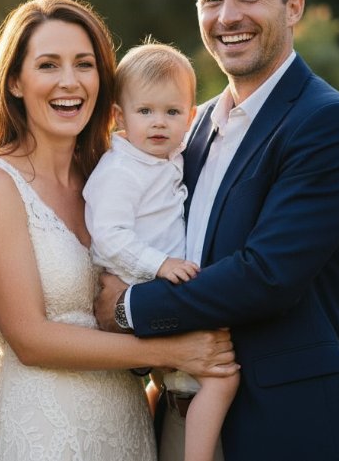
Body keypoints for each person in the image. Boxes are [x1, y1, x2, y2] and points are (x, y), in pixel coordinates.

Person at [95, 0, 339, 460]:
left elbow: (266, 275)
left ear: (293, 7)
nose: (228, 17)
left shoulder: (327, 123)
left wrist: (128, 308)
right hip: (177, 417)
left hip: (283, 426)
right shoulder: (190, 127)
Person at [0, 0, 239, 461]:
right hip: (45, 423)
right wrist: (171, 353)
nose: (69, 82)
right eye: (48, 65)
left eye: (84, 64)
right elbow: (30, 340)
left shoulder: (114, 169)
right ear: (15, 81)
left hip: (124, 416)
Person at [83, 42, 236, 461]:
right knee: (220, 379)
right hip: (140, 283)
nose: (158, 123)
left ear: (190, 118)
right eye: (145, 111)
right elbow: (108, 236)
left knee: (167, 380)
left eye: (172, 113)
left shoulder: (166, 155)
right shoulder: (121, 169)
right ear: (119, 116)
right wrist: (160, 264)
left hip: (160, 289)